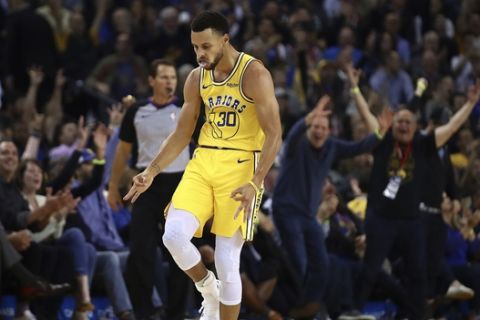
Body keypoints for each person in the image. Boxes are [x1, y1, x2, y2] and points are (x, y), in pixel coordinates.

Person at [124, 10, 282, 320]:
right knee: (173, 236)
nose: (200, 54)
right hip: (204, 160)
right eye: (195, 47)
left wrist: (256, 182)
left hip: (242, 167)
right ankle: (208, 288)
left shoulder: (254, 73)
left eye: (206, 46)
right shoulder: (197, 77)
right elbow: (183, 132)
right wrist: (151, 171)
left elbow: (275, 133)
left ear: (225, 39)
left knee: (226, 258)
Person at [348, 62, 480, 318]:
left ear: (416, 125)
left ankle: (418, 315)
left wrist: (469, 104)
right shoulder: (383, 139)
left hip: (410, 221)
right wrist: (354, 89)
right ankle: (353, 311)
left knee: (418, 272)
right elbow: (366, 116)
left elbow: (451, 127)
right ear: (392, 123)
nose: (404, 125)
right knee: (371, 268)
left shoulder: (423, 144)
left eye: (409, 122)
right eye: (399, 121)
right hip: (381, 218)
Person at [271, 94, 387, 319]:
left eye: (323, 127)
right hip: (286, 211)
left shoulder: (332, 146)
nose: (319, 131)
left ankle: (309, 310)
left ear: (329, 131)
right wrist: (307, 119)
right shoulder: (298, 144)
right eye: (315, 126)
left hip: (307, 216)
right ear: (309, 128)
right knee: (302, 262)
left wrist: (380, 133)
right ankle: (311, 312)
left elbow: (359, 147)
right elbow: (293, 134)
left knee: (322, 264)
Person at [108, 59, 190, 320]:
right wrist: (112, 186)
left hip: (180, 185)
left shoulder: (187, 109)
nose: (170, 82)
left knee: (180, 251)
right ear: (151, 81)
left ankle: (177, 313)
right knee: (140, 253)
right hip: (145, 185)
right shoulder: (137, 111)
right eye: (164, 77)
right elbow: (122, 152)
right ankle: (144, 313)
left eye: (173, 78)